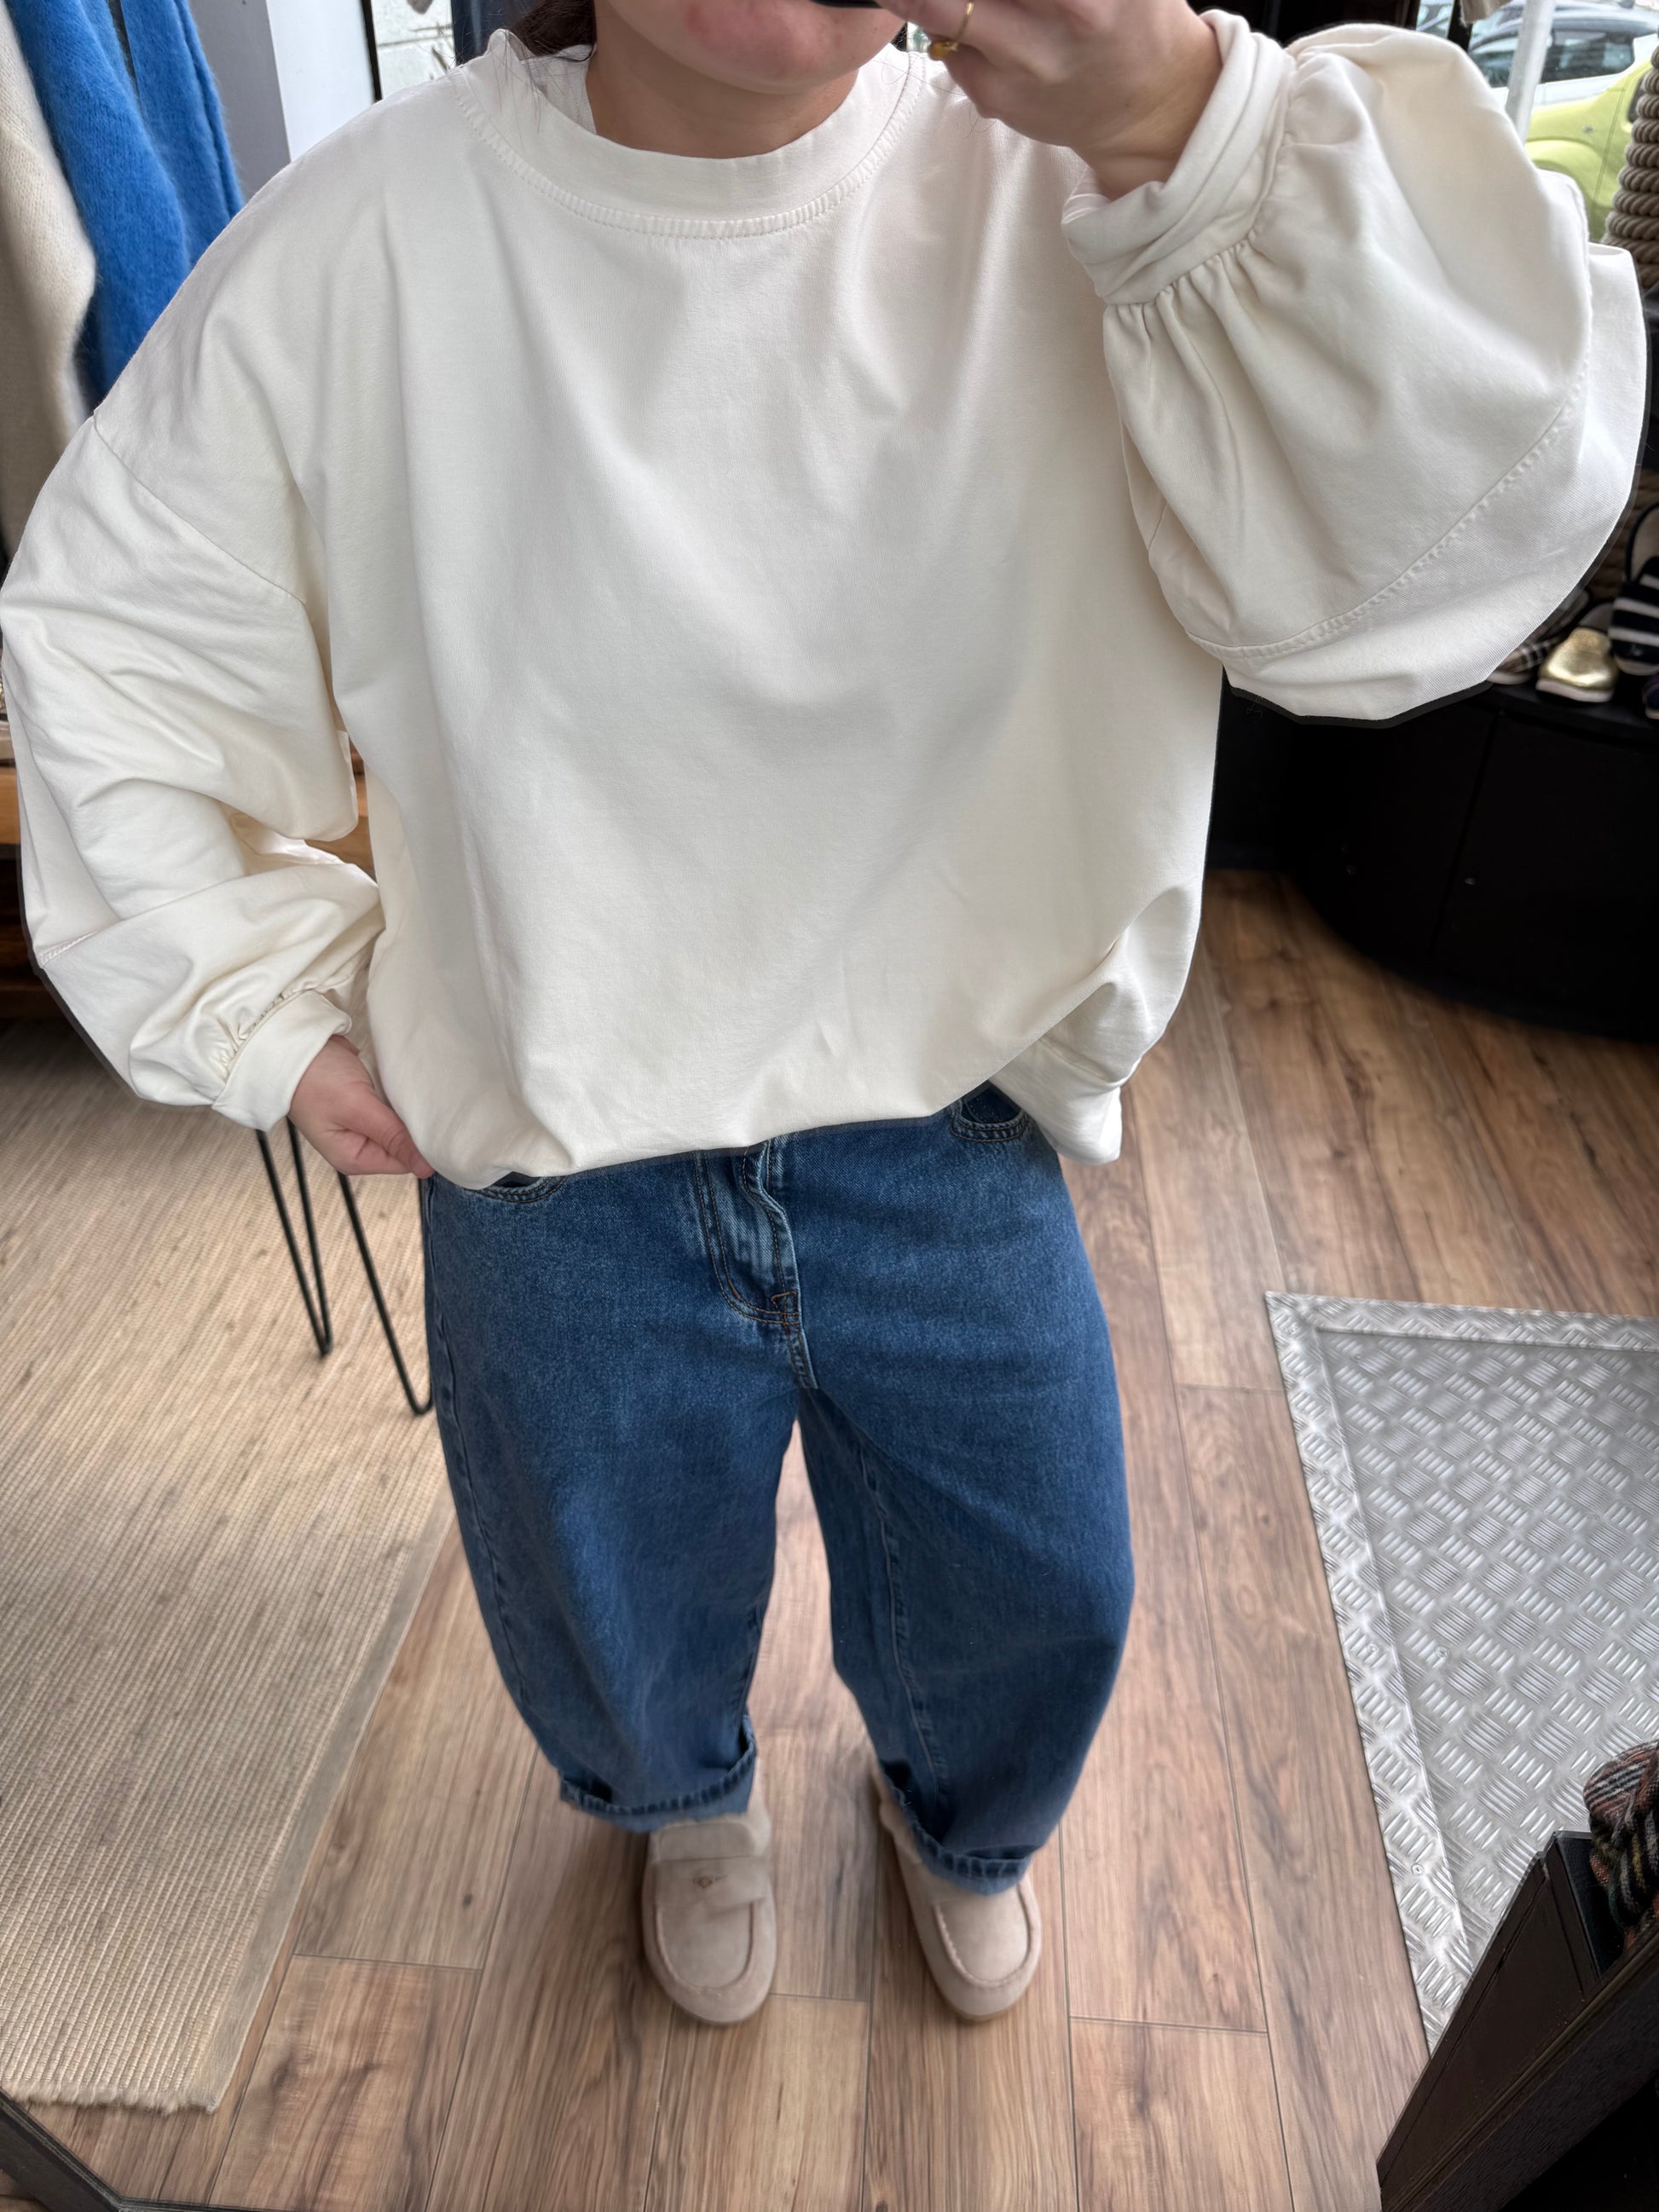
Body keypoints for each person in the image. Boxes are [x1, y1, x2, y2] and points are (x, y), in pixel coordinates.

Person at [0, 0, 1640, 2028]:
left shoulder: (1092, 195)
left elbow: (1462, 534)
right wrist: (252, 999)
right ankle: (680, 1798)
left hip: (951, 1116)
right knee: (603, 1580)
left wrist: (1183, 122)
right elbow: (112, 635)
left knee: (1034, 1571)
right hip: (556, 1141)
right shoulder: (364, 242)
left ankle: (965, 1817)